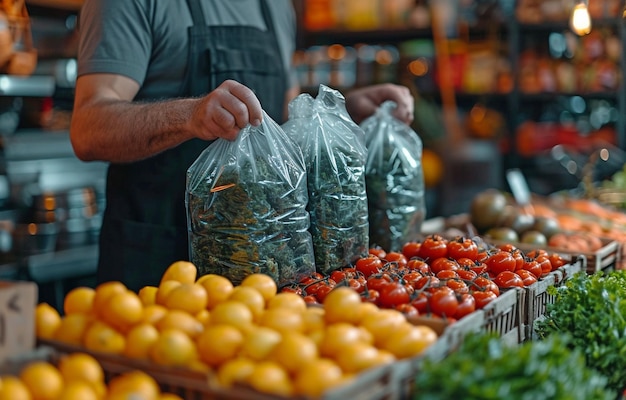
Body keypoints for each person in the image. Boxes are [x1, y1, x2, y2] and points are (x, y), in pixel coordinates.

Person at [70, 0, 415, 292]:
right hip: (159, 270)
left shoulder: (275, 6)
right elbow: (88, 129)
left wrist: (340, 113)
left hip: (261, 274)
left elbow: (277, 123)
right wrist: (189, 114)